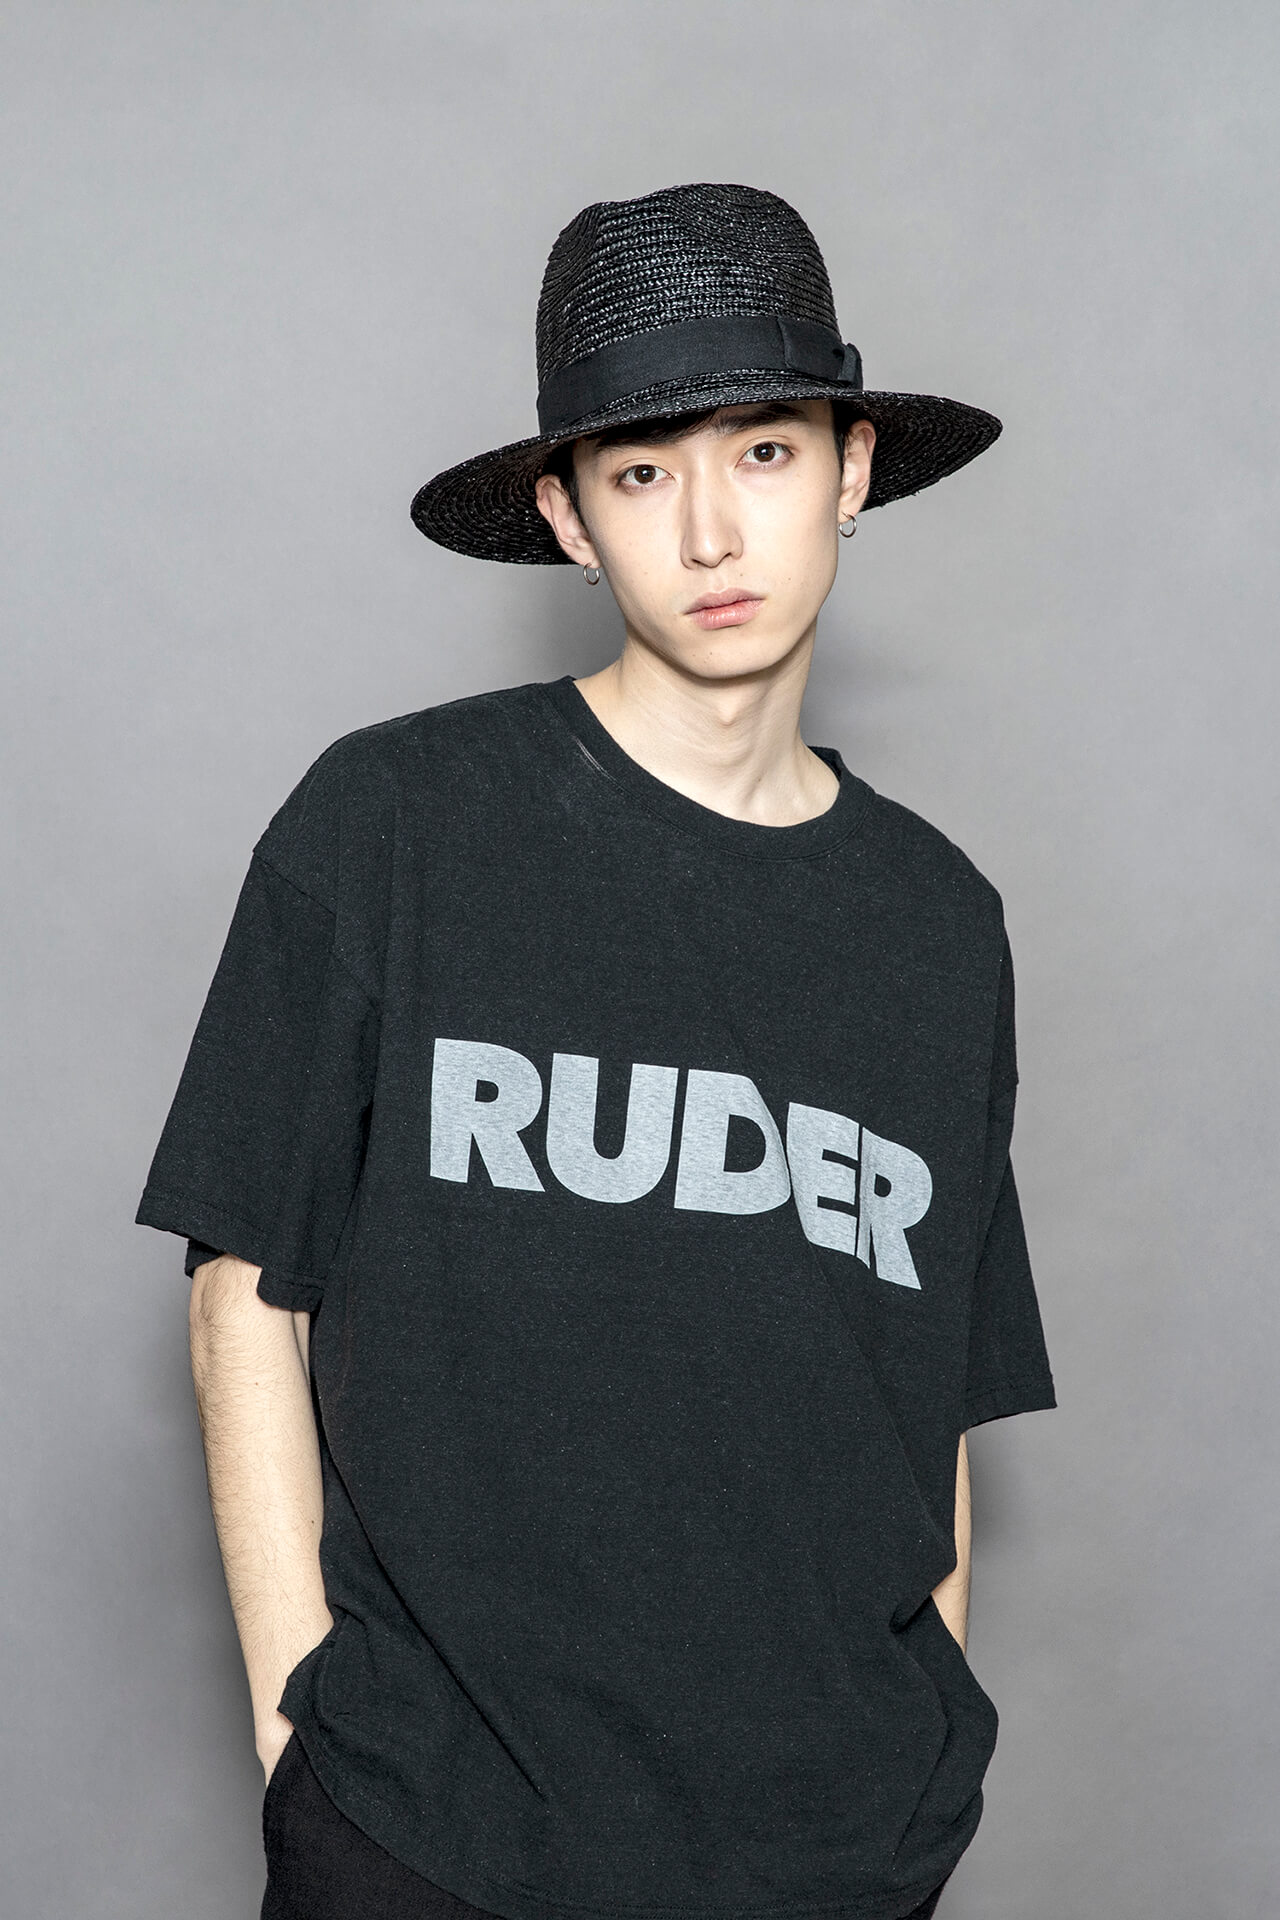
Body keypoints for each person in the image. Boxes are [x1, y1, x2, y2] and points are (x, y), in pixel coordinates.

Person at [137, 182, 1056, 1920]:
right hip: (429, 1835)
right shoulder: (391, 823)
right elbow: (243, 1287)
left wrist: (916, 1780)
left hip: (834, 1860)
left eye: (764, 452)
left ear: (852, 470)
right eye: (641, 473)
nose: (710, 531)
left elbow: (925, 1394)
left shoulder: (942, 925)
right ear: (567, 514)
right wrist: (300, 1748)